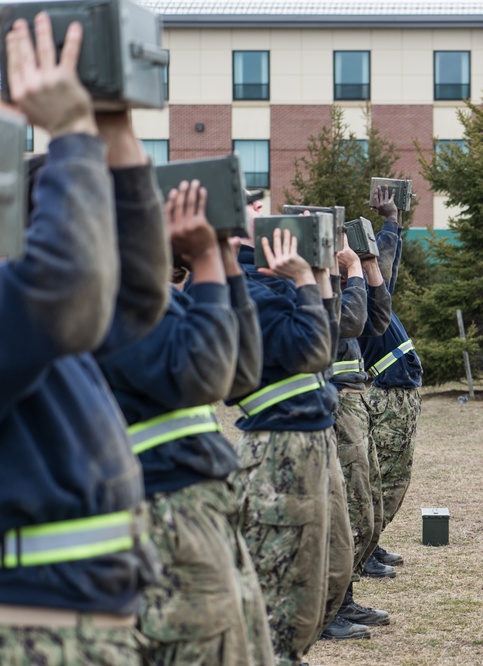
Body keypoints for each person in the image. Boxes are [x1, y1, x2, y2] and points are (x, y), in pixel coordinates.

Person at [0, 13, 169, 664]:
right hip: (29, 624)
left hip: (74, 615)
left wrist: (112, 132)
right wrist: (70, 133)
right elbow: (70, 292)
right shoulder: (37, 293)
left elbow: (131, 300)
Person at [97, 181, 274, 665]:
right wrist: (205, 261)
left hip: (198, 503)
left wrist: (221, 260)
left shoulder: (154, 298)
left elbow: (242, 372)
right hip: (164, 509)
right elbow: (209, 376)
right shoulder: (113, 306)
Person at [230, 199, 352, 666]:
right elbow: (309, 352)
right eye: (249, 204)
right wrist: (304, 278)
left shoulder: (272, 277)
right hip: (280, 444)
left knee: (334, 570)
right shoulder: (245, 287)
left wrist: (319, 274)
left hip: (314, 435)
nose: (262, 205)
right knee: (283, 588)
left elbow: (330, 336)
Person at [321, 193, 393, 640]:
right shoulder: (314, 288)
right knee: (343, 512)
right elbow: (348, 323)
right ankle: (327, 611)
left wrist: (366, 267)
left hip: (354, 403)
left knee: (359, 511)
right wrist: (345, 272)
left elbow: (378, 320)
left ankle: (342, 600)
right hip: (331, 404)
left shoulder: (343, 283)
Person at [358, 193, 420, 575]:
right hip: (386, 393)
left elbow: (386, 266)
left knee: (390, 478)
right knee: (384, 480)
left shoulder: (371, 291)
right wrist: (388, 227)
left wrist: (392, 222)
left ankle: (370, 544)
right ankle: (362, 551)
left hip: (399, 390)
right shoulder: (356, 297)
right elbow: (381, 265)